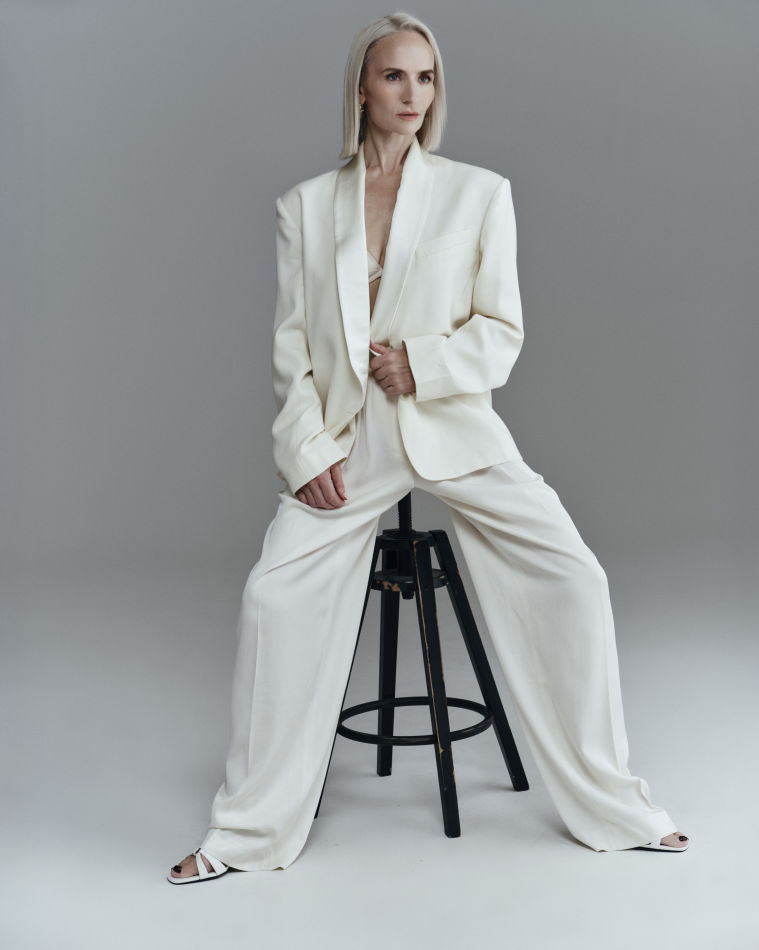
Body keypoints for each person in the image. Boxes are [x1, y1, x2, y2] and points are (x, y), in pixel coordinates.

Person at [168, 12, 689, 884]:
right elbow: (291, 350)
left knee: (575, 578)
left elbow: (501, 331)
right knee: (270, 600)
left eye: (426, 77)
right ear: (360, 88)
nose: (412, 94)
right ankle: (244, 834)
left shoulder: (478, 193)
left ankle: (617, 806)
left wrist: (423, 364)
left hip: (451, 428)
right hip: (349, 442)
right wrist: (306, 452)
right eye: (393, 76)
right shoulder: (305, 207)